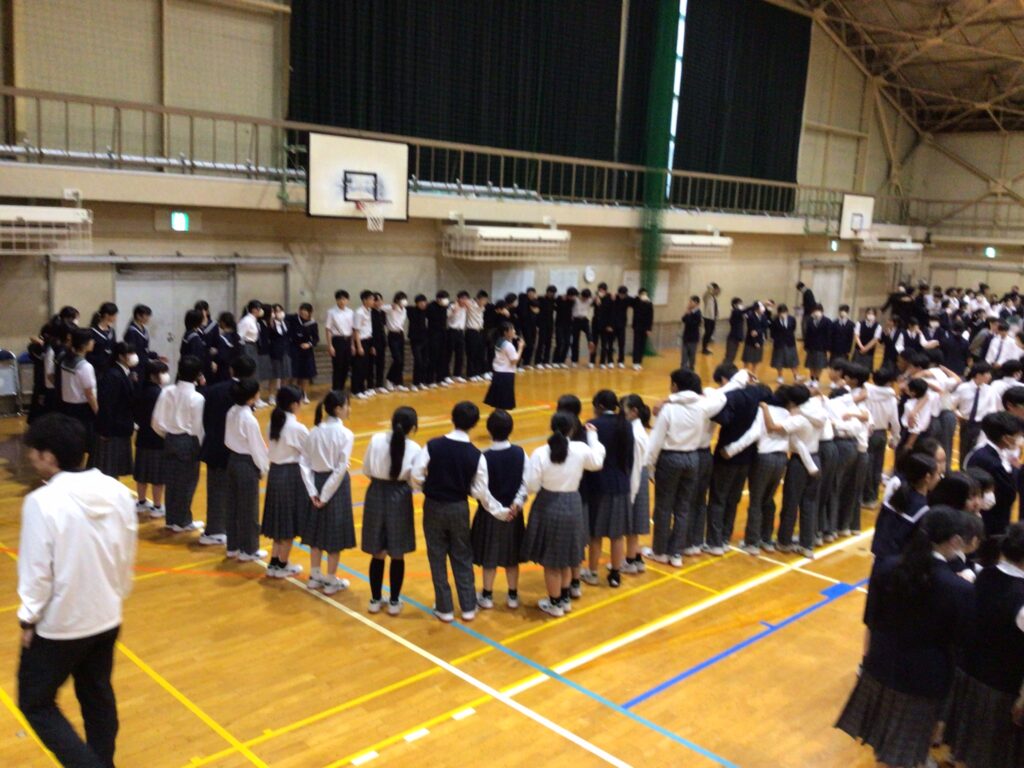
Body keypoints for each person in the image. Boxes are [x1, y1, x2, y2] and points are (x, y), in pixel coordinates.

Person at [16, 413, 137, 768]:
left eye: (34, 452)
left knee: (35, 702)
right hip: (107, 616)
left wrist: (28, 618)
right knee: (97, 695)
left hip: (62, 624)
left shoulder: (42, 502)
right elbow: (126, 552)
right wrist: (116, 595)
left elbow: (37, 572)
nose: (31, 458)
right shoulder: (118, 491)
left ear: (49, 456)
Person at [835, 507, 973, 768]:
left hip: (881, 662)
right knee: (908, 743)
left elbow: (872, 618)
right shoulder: (959, 589)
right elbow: (961, 641)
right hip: (924, 677)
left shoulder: (887, 567)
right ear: (955, 541)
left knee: (885, 734)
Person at [410, 401, 512, 623]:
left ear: (452, 418)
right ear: (474, 424)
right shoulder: (476, 455)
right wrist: (499, 510)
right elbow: (480, 491)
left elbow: (416, 475)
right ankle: (467, 606)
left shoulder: (433, 445)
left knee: (437, 555)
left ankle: (444, 608)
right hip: (459, 507)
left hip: (434, 505)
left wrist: (427, 487)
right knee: (462, 555)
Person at [945, 522, 1024, 768]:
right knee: (990, 751)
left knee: (965, 735)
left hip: (967, 671)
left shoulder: (983, 574)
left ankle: (956, 756)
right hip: (1000, 687)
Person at [523, 411, 605, 617]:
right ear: (573, 429)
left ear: (552, 427)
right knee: (567, 556)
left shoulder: (541, 453)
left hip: (548, 503)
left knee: (552, 561)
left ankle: (555, 603)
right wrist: (593, 436)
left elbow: (531, 485)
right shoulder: (580, 449)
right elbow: (597, 462)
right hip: (573, 503)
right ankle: (564, 598)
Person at [646, 369, 727, 565]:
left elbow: (655, 441)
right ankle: (676, 553)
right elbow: (721, 397)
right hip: (692, 458)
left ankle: (660, 551)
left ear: (675, 386)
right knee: (683, 507)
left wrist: (649, 466)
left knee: (664, 507)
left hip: (670, 458)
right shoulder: (702, 406)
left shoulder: (669, 409)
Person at [362, 406, 421, 615]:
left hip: (376, 492)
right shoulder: (414, 448)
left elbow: (366, 469)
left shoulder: (376, 439)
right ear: (413, 428)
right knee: (397, 552)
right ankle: (394, 601)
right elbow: (416, 479)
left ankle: (375, 599)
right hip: (400, 495)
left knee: (378, 551)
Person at [471, 410, 528, 610]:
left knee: (489, 557)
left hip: (489, 514)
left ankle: (487, 595)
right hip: (514, 514)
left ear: (489, 430)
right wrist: (516, 504)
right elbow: (526, 482)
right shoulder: (520, 453)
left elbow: (481, 490)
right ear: (511, 429)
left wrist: (497, 510)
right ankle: (513, 595)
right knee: (512, 557)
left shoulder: (483, 457)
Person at [302, 390, 356, 595]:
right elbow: (340, 469)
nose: (349, 409)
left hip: (316, 482)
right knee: (335, 535)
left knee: (316, 531)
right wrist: (324, 496)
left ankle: (315, 575)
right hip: (335, 486)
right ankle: (331, 579)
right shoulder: (345, 434)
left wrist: (313, 492)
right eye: (347, 405)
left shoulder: (313, 431)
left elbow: (304, 463)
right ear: (338, 409)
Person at [581, 390, 634, 588]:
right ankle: (615, 574)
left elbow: (588, 458)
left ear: (600, 406)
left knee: (596, 533)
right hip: (620, 483)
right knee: (617, 534)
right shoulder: (625, 424)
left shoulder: (593, 425)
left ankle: (593, 572)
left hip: (598, 484)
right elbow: (629, 457)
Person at [152, 355, 206, 535]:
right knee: (187, 482)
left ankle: (172, 519)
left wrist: (167, 435)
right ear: (197, 375)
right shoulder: (197, 398)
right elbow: (198, 428)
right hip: (188, 441)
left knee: (172, 480)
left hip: (170, 439)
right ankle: (182, 521)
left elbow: (156, 421)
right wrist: (200, 446)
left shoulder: (167, 391)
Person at [261, 386, 308, 578]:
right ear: (294, 404)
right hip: (290, 475)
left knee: (279, 520)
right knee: (288, 522)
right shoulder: (296, 428)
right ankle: (282, 564)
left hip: (275, 473)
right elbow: (310, 451)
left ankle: (274, 562)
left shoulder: (273, 422)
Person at [224, 378, 269, 562]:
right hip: (246, 463)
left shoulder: (231, 411)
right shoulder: (249, 419)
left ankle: (232, 546)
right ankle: (249, 549)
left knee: (233, 505)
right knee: (249, 508)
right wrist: (263, 468)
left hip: (232, 460)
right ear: (251, 397)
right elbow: (256, 448)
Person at [871, 453, 941, 558]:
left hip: (879, 556)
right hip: (897, 562)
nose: (939, 478)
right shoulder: (922, 509)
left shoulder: (894, 495)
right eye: (937, 474)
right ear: (927, 477)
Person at [963, 411, 1021, 537]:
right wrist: (1016, 471)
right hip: (991, 522)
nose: (1019, 440)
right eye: (1016, 436)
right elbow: (1009, 494)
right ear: (1006, 438)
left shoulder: (981, 451)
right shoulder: (992, 463)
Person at [92, 342, 138, 479]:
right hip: (113, 430)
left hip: (121, 428)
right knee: (109, 470)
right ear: (121, 356)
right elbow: (107, 405)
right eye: (130, 353)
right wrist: (105, 430)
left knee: (115, 469)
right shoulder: (113, 375)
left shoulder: (123, 373)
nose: (134, 356)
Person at [133, 359, 169, 519]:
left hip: (142, 436)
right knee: (157, 476)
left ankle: (141, 502)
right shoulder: (159, 394)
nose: (166, 376)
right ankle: (157, 506)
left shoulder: (140, 390)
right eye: (163, 372)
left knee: (142, 472)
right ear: (154, 375)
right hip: (157, 439)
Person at [621, 394, 651, 571]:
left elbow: (636, 464)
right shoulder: (635, 429)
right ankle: (637, 556)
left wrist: (631, 493)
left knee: (631, 520)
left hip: (635, 476)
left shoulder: (635, 434)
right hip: (639, 474)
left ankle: (630, 560)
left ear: (634, 411)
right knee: (635, 519)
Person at [59, 328, 99, 453]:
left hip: (67, 407)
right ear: (84, 344)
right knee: (86, 445)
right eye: (91, 340)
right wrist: (98, 412)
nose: (93, 342)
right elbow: (89, 394)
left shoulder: (64, 360)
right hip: (82, 411)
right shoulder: (85, 366)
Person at [483, 322, 524, 411]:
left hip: (498, 373)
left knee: (498, 402)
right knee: (504, 402)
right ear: (506, 332)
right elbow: (514, 360)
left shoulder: (499, 341)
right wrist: (520, 348)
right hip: (506, 375)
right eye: (512, 329)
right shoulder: (508, 345)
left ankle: (497, 416)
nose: (514, 331)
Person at [237, 300, 268, 408]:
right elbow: (239, 337)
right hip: (247, 347)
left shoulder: (254, 320)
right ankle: (250, 399)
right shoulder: (246, 321)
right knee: (249, 373)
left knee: (255, 373)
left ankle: (256, 399)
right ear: (254, 309)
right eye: (259, 308)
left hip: (253, 346)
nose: (261, 311)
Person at [287, 302, 318, 403]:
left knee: (306, 375)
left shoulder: (312, 323)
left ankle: (304, 394)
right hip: (294, 350)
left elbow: (316, 338)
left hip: (307, 351)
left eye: (306, 311)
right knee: (294, 374)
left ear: (310, 313)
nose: (303, 313)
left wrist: (309, 344)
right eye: (302, 310)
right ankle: (292, 394)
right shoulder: (293, 319)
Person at [326, 289, 354, 391]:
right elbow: (328, 329)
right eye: (340, 299)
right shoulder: (331, 312)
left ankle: (341, 387)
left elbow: (352, 329)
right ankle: (335, 389)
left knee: (346, 366)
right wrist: (330, 345)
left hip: (348, 340)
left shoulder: (351, 312)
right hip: (337, 340)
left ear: (347, 300)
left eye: (344, 299)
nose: (342, 301)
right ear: (336, 300)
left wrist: (352, 345)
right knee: (338, 366)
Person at [266, 304, 291, 402]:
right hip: (275, 352)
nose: (279, 313)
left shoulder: (286, 323)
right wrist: (271, 321)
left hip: (285, 351)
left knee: (285, 375)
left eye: (280, 310)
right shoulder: (270, 324)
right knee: (274, 375)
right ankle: (271, 396)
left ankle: (282, 395)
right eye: (276, 311)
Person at [352, 289, 375, 398]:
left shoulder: (369, 310)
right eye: (371, 299)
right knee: (359, 367)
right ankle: (356, 390)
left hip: (368, 340)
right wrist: (359, 346)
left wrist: (371, 345)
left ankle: (362, 389)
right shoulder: (359, 312)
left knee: (366, 366)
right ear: (365, 300)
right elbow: (356, 330)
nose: (373, 301)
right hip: (361, 341)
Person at [86, 302, 118, 377]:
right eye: (114, 315)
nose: (115, 317)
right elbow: (89, 352)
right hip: (96, 368)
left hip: (109, 367)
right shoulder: (92, 331)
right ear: (106, 315)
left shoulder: (112, 331)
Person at [769, 304, 798, 383]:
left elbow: (793, 328)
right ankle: (780, 376)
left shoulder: (792, 319)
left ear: (787, 312)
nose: (783, 314)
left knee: (792, 360)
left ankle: (796, 376)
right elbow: (772, 332)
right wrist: (777, 339)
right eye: (781, 312)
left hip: (790, 342)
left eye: (784, 312)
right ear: (778, 313)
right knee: (779, 361)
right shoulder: (774, 321)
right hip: (779, 343)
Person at [407, 294, 430, 390]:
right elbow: (404, 307)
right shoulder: (411, 311)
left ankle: (421, 381)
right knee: (418, 361)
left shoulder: (427, 311)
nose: (423, 304)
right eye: (421, 302)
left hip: (425, 339)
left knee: (425, 361)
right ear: (416, 303)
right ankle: (415, 383)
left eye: (424, 302)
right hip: (415, 340)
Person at [427, 290, 451, 385]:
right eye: (444, 298)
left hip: (443, 334)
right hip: (433, 335)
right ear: (438, 299)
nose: (446, 301)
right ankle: (430, 380)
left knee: (442, 357)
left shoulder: (445, 307)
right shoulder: (431, 307)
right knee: (433, 357)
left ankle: (440, 378)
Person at [803, 304, 830, 385]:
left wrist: (827, 347)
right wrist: (806, 345)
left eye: (818, 310)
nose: (816, 312)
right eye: (814, 311)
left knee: (819, 365)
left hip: (821, 347)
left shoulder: (827, 321)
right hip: (811, 346)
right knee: (811, 364)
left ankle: (817, 380)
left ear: (822, 311)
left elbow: (829, 335)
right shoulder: (810, 320)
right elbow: (807, 334)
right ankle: (811, 378)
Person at [742, 301, 770, 373]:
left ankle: (753, 374)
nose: (763, 309)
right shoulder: (750, 316)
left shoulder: (764, 316)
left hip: (760, 340)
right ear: (756, 309)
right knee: (747, 360)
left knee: (756, 360)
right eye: (761, 308)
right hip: (750, 341)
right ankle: (744, 374)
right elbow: (751, 330)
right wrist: (755, 342)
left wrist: (758, 332)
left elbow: (765, 327)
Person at [466, 290, 489, 380]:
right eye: (484, 300)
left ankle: (480, 373)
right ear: (478, 299)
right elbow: (466, 301)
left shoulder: (482, 308)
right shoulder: (471, 305)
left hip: (480, 331)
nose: (485, 302)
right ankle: (471, 374)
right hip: (471, 331)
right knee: (472, 353)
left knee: (481, 353)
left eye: (486, 300)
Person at [570, 287, 594, 368]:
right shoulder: (575, 299)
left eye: (587, 298)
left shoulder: (590, 300)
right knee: (575, 341)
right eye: (584, 298)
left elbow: (598, 295)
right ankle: (574, 360)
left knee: (590, 335)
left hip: (585, 320)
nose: (585, 300)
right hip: (576, 321)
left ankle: (590, 343)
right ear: (581, 296)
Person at [631, 288, 653, 371]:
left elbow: (650, 316)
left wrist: (649, 328)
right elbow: (633, 302)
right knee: (636, 344)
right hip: (637, 327)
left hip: (645, 327)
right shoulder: (636, 301)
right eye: (643, 294)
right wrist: (638, 298)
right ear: (639, 294)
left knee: (642, 345)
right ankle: (635, 362)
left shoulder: (649, 303)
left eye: (645, 294)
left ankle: (639, 362)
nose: (644, 296)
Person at [535, 286, 556, 369]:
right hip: (542, 323)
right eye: (550, 292)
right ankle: (538, 361)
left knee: (549, 343)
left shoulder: (553, 300)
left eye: (553, 293)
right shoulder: (541, 299)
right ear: (547, 291)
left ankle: (546, 361)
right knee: (541, 342)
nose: (552, 294)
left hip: (550, 323)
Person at [680, 296, 702, 371]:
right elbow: (683, 319)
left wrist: (688, 314)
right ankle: (683, 369)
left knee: (692, 355)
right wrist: (687, 313)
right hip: (686, 336)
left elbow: (692, 324)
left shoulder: (698, 313)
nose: (689, 303)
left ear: (696, 303)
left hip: (693, 338)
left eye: (691, 302)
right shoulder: (689, 311)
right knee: (684, 354)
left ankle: (691, 369)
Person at [724, 297, 745, 366]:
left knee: (732, 356)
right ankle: (724, 369)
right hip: (732, 338)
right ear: (735, 305)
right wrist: (754, 306)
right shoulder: (735, 312)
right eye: (740, 304)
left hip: (737, 338)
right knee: (729, 356)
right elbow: (743, 311)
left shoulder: (739, 313)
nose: (741, 305)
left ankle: (728, 368)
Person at [701, 283, 720, 355]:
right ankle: (704, 349)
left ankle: (706, 347)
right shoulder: (707, 296)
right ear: (713, 289)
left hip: (713, 318)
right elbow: (707, 291)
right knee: (707, 333)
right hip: (708, 318)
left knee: (710, 333)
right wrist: (710, 287)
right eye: (717, 290)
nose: (718, 292)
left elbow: (715, 308)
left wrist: (716, 316)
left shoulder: (713, 297)